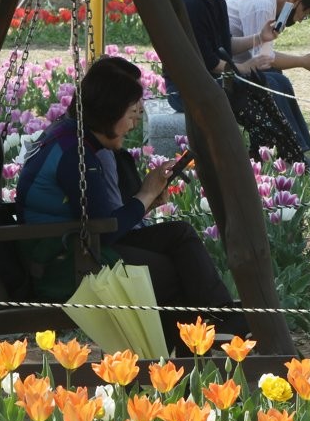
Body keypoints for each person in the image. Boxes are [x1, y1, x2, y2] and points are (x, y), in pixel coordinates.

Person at [16, 56, 249, 350]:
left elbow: (102, 220)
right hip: (61, 263)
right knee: (167, 273)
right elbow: (107, 229)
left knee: (179, 234)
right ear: (109, 112)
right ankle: (181, 352)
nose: (135, 120)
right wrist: (145, 195)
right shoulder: (76, 155)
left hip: (73, 244)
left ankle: (219, 318)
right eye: (131, 111)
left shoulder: (72, 138)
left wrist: (145, 202)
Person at [164, 0, 305, 162]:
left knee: (270, 84)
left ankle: (289, 153)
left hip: (218, 79)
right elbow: (208, 61)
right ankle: (279, 157)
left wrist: (260, 37)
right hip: (189, 89)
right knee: (256, 96)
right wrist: (243, 67)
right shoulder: (191, 4)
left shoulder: (216, 1)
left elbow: (225, 44)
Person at [226, 0, 310, 167]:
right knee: (272, 81)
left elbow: (264, 56)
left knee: (277, 79)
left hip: (235, 67)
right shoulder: (262, 5)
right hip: (224, 71)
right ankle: (292, 153)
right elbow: (265, 59)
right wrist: (303, 61)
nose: (299, 20)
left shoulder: (266, 2)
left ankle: (293, 151)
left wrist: (303, 60)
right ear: (296, 0)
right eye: (304, 15)